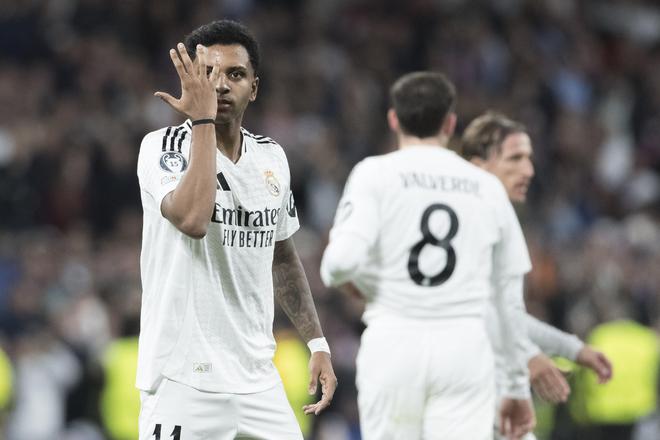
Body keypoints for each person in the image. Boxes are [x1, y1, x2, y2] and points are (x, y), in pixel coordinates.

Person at [136, 20, 337, 440]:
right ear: (191, 80)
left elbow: (282, 256)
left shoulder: (272, 158)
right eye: (208, 73)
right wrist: (203, 122)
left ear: (254, 88)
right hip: (182, 378)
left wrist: (317, 342)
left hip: (257, 379)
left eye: (236, 74)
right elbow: (193, 220)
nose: (221, 85)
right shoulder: (162, 148)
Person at [321, 71, 535, 440]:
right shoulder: (486, 187)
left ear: (394, 119)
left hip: (394, 340)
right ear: (450, 123)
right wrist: (516, 385)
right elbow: (509, 298)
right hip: (463, 346)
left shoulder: (374, 174)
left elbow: (338, 264)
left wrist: (362, 282)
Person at [459, 111, 613, 439]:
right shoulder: (467, 227)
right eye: (515, 159)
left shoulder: (495, 220)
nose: (528, 170)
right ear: (478, 167)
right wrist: (529, 356)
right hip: (461, 395)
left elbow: (505, 315)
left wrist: (573, 349)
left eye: (529, 159)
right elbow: (471, 309)